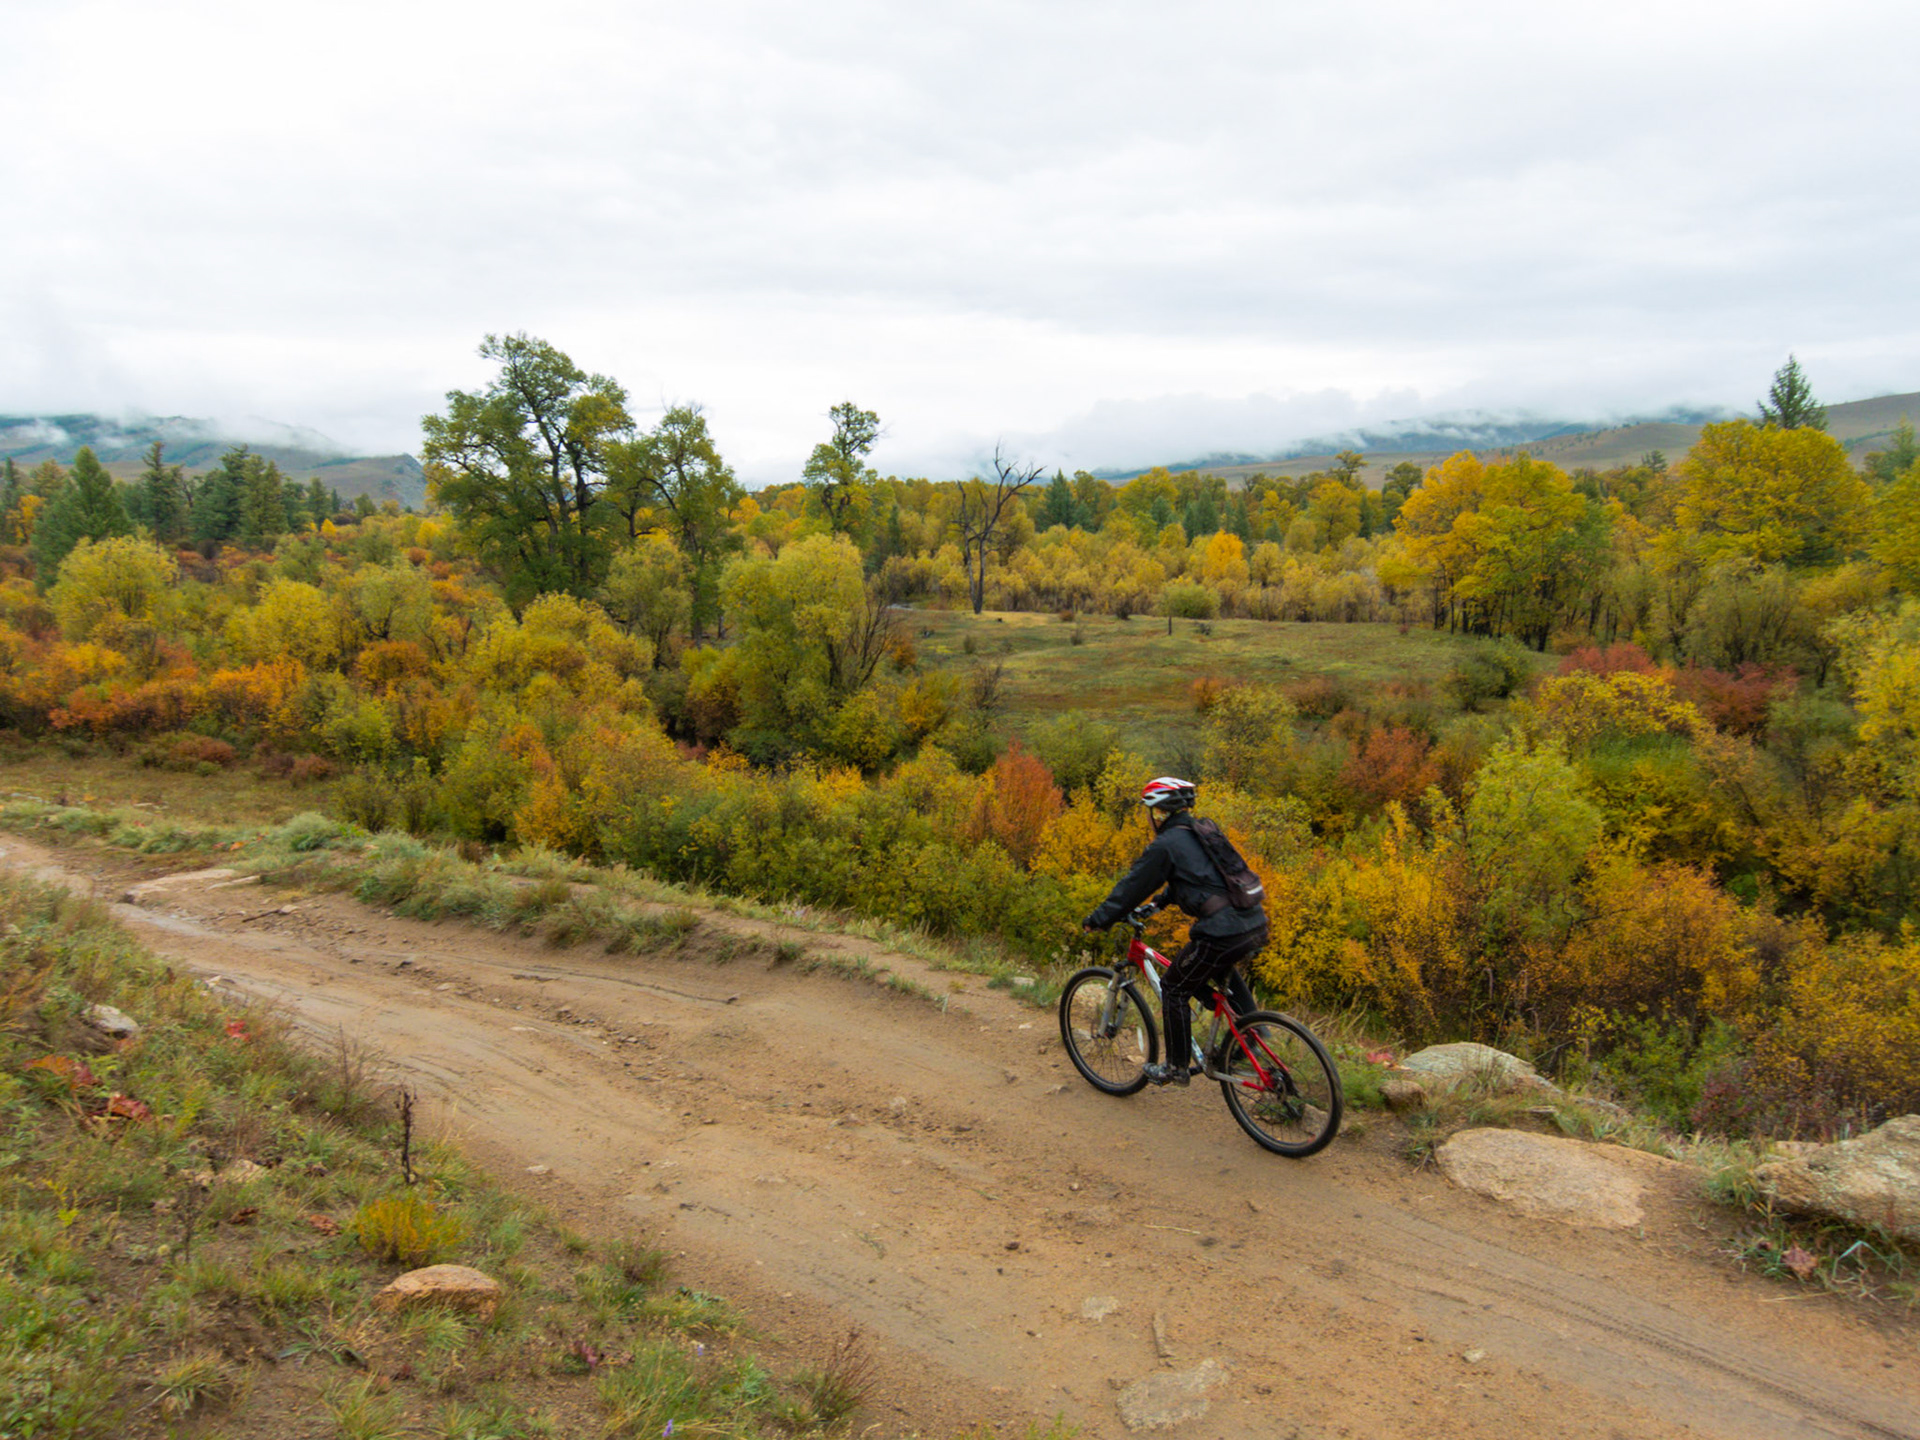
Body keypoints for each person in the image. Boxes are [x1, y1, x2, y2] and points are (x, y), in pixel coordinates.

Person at [1081, 776, 1268, 1086]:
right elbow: (1198, 878)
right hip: (1253, 921)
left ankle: (1176, 1067)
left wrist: (1099, 919)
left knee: (1174, 986)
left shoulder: (1165, 845)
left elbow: (1132, 886)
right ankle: (1252, 1032)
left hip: (1222, 931)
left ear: (1157, 812)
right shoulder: (1202, 830)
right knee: (1213, 972)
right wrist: (1159, 903)